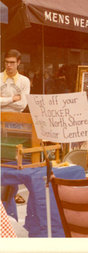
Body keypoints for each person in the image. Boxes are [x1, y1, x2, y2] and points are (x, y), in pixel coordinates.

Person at [1, 49, 30, 205]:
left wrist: (4, 100)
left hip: (16, 123)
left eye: (12, 62)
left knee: (14, 158)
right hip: (0, 122)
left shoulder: (24, 81)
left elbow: (22, 104)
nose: (9, 66)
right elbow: (16, 101)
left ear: (18, 62)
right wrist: (12, 98)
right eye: (6, 62)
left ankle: (13, 192)